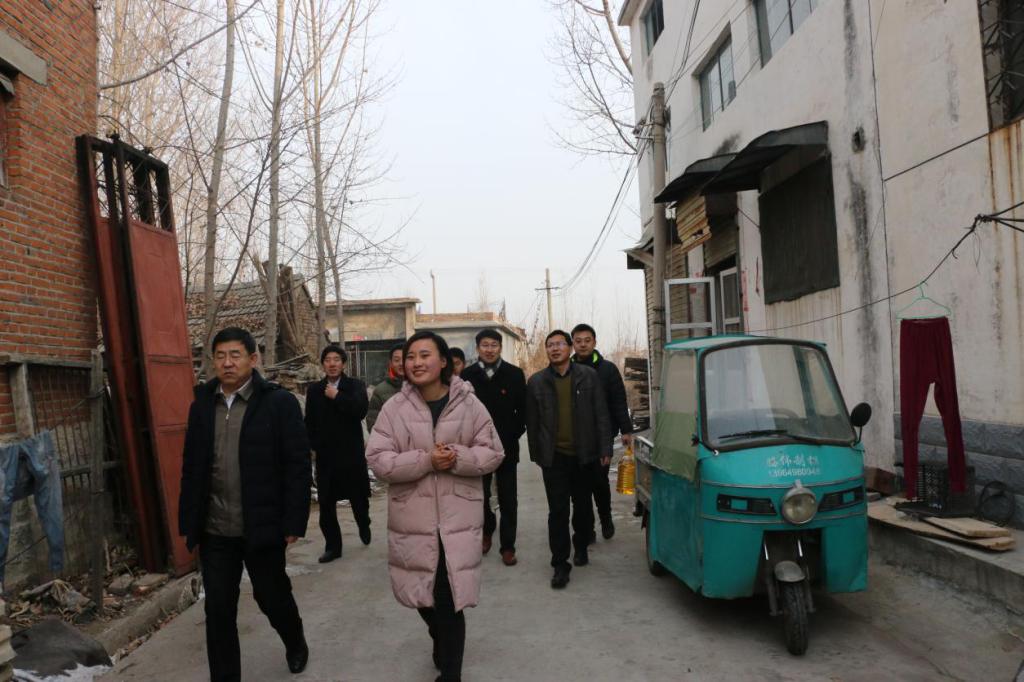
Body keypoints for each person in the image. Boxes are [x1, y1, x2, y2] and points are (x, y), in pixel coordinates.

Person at [366, 331, 504, 682]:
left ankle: (451, 674)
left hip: (458, 518)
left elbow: (493, 452)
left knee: (449, 596)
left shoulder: (469, 404)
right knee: (423, 597)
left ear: (443, 361)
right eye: (410, 357)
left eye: (425, 355)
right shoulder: (394, 408)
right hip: (413, 517)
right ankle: (438, 635)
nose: (416, 363)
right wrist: (426, 460)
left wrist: (456, 457)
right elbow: (379, 460)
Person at [178, 327, 311, 681]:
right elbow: (192, 465)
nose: (227, 363)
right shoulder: (202, 404)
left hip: (262, 525)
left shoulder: (278, 403)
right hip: (215, 529)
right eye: (220, 356)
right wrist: (189, 519)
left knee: (272, 597)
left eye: (235, 355)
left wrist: (293, 521)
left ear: (253, 359)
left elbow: (297, 465)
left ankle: (295, 641)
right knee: (219, 609)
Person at [526, 330, 611, 589]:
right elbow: (532, 421)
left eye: (559, 344)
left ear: (570, 348)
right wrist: (537, 454)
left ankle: (581, 545)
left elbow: (601, 413)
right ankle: (560, 564)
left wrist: (605, 447)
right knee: (558, 511)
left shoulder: (588, 376)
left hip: (584, 455)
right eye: (550, 345)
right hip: (554, 458)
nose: (555, 349)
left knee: (583, 507)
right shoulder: (537, 382)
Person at [458, 329, 526, 566]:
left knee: (508, 498)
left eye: (494, 345)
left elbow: (523, 411)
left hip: (506, 446)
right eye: (485, 345)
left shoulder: (514, 374)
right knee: (480, 496)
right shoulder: (467, 375)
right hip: (477, 448)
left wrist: (512, 433)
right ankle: (486, 532)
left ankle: (508, 546)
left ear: (500, 348)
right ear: (478, 348)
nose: (489, 349)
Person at [304, 344, 371, 563]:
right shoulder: (314, 390)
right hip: (326, 457)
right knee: (326, 503)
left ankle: (364, 523)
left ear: (343, 364)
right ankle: (333, 547)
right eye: (327, 360)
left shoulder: (355, 386)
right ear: (322, 364)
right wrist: (313, 445)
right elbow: (309, 421)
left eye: (336, 359)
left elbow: (360, 410)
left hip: (351, 455)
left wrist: (337, 396)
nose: (332, 364)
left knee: (358, 498)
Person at [571, 323, 634, 541]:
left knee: (599, 481)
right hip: (575, 438)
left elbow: (618, 401)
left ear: (595, 342)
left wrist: (626, 429)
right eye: (578, 341)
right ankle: (587, 528)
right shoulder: (566, 369)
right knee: (580, 487)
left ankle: (606, 518)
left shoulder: (607, 369)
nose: (583, 345)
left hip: (602, 436)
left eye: (587, 340)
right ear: (573, 344)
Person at [366, 342, 405, 431]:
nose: (401, 363)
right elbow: (373, 423)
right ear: (390, 363)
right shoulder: (380, 390)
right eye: (397, 360)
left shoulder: (421, 386)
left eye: (405, 359)